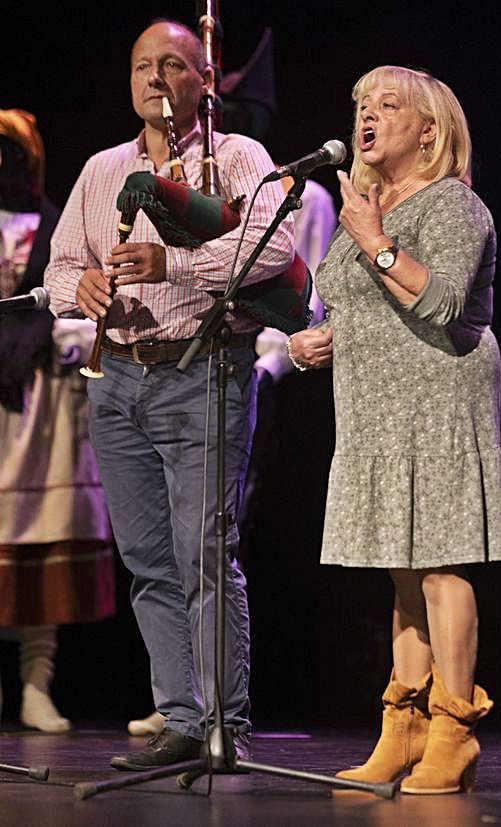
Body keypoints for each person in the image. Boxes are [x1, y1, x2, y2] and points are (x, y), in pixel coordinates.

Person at [44, 20, 294, 769]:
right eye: (142, 65)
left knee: (204, 552)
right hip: (118, 376)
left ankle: (223, 725)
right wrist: (77, 285)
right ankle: (180, 716)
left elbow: (275, 244)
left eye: (173, 65)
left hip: (202, 368)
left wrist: (172, 265)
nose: (155, 77)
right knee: (149, 558)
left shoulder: (236, 156)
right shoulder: (100, 169)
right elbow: (58, 267)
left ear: (204, 80)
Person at [288, 65, 501, 794]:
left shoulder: (452, 205)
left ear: (429, 131)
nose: (366, 115)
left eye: (387, 105)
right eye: (360, 104)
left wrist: (374, 238)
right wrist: (311, 340)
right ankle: (404, 723)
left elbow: (445, 303)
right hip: (371, 405)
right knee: (402, 567)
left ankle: (454, 728)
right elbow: (342, 300)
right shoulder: (362, 199)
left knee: (442, 561)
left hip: (439, 393)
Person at [0, 109, 115, 733]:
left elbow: (77, 292)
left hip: (37, 404)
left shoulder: (51, 225)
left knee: (34, 538)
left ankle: (35, 682)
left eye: (11, 153)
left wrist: (61, 336)